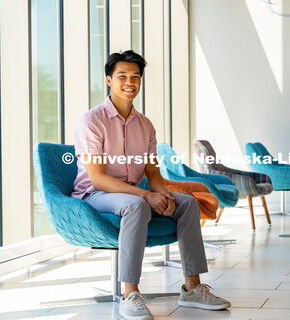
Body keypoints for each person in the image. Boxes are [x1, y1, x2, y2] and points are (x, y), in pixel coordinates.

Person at [71, 50, 231, 320]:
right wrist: (146, 195)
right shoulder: (92, 121)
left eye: (135, 76)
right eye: (122, 76)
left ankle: (192, 288)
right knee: (136, 205)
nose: (129, 82)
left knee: (188, 202)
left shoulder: (145, 125)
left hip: (133, 191)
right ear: (109, 80)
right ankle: (130, 293)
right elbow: (97, 178)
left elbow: (153, 174)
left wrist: (165, 196)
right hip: (97, 194)